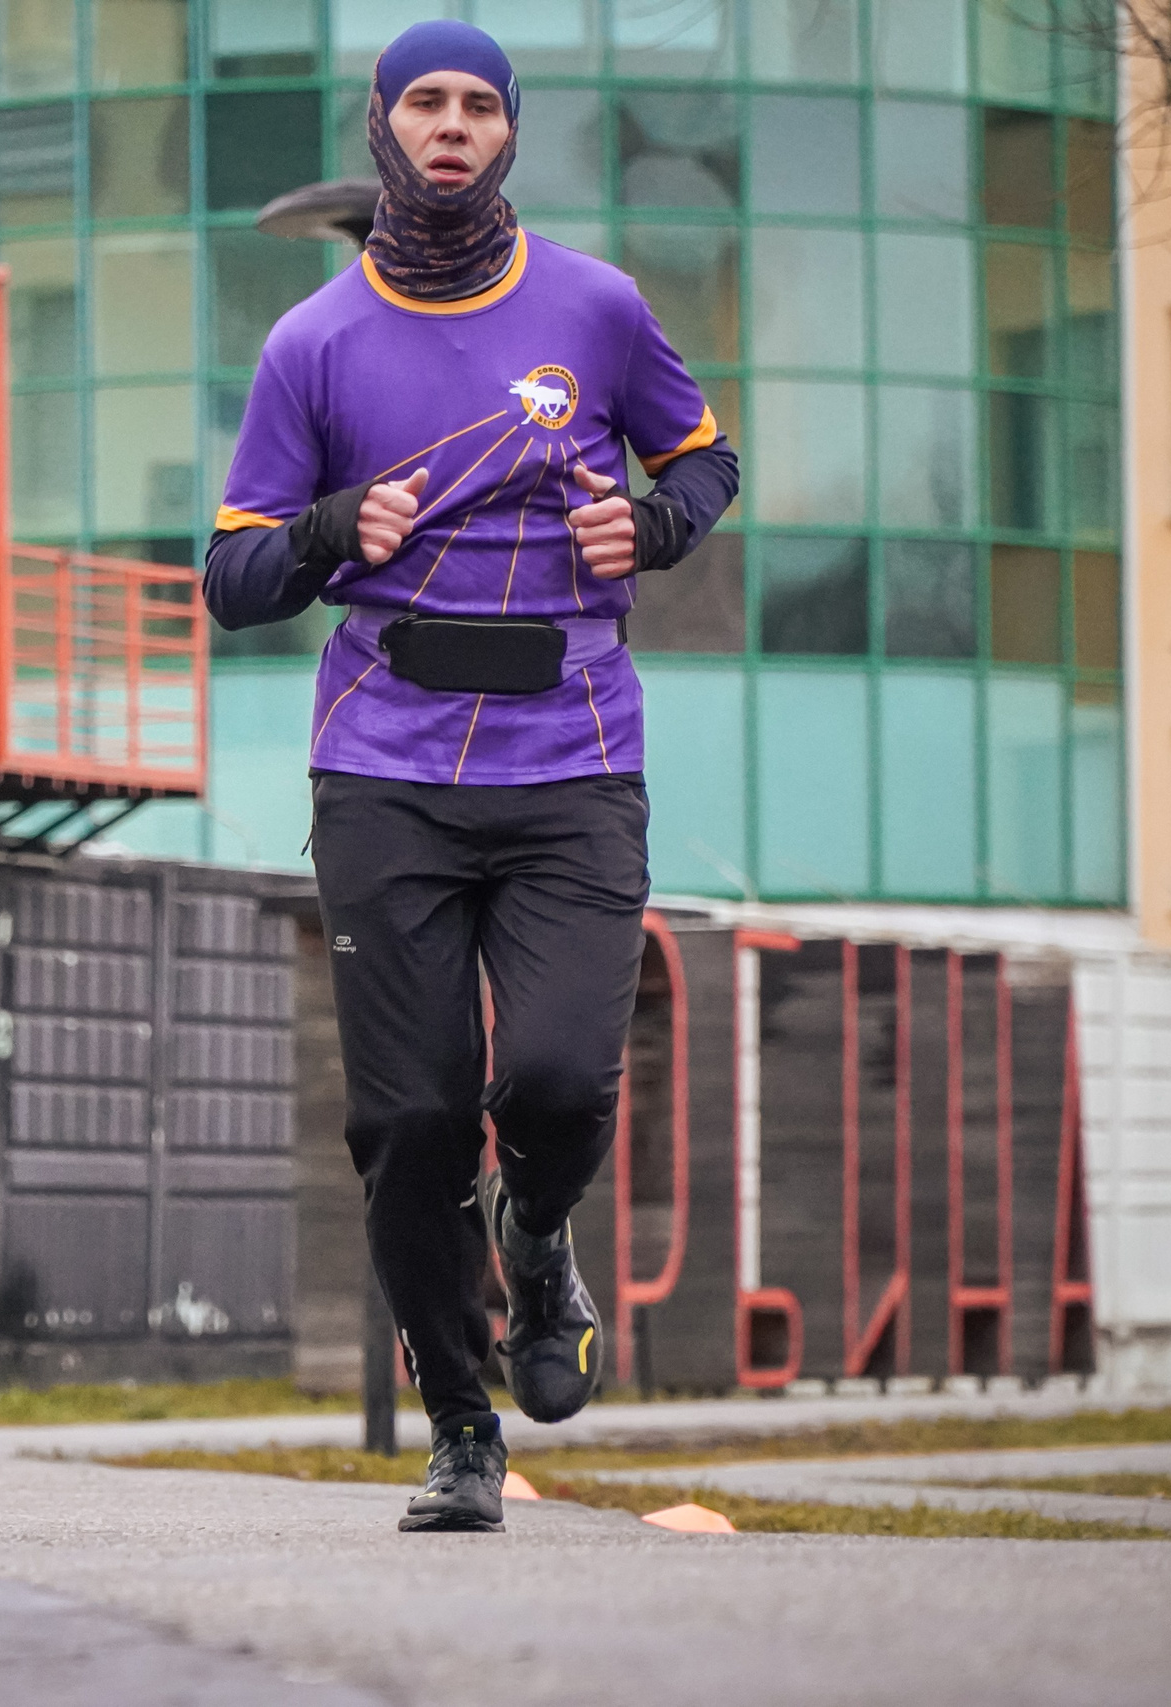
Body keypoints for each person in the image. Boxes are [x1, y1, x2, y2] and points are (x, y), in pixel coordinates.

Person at [202, 20, 738, 1535]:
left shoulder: (600, 306)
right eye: (425, 102)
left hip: (573, 753)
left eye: (479, 105)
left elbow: (704, 460)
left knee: (559, 1077)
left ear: (512, 130)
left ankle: (542, 1224)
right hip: (381, 766)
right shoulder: (312, 341)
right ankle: (460, 1425)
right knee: (410, 1117)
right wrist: (330, 533)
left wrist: (660, 524)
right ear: (383, 122)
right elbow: (235, 573)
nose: (451, 126)